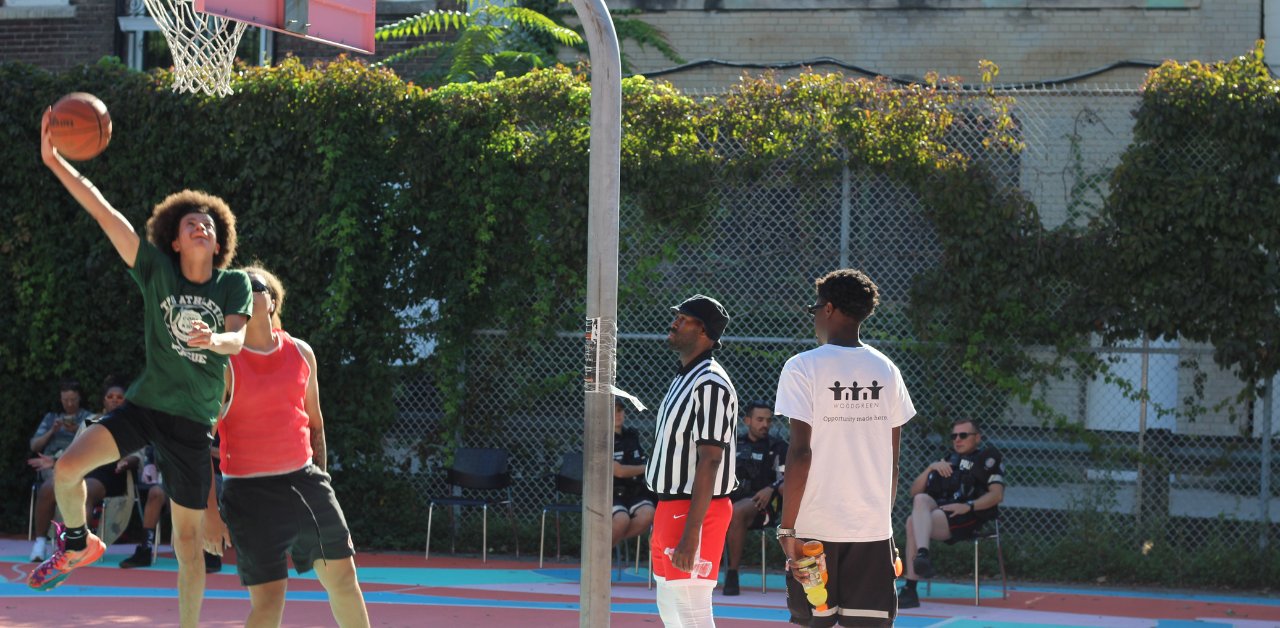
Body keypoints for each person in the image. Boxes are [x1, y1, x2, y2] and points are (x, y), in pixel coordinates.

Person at [32, 110, 251, 628]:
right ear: (173, 241)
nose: (201, 226)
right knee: (66, 470)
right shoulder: (154, 271)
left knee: (190, 542)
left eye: (209, 225)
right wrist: (56, 161)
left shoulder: (232, 284)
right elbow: (106, 213)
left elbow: (239, 338)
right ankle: (78, 543)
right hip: (145, 407)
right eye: (189, 223)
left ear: (218, 244)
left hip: (190, 426)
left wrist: (213, 337)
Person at [202, 266, 370, 628]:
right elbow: (199, 443)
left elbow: (315, 424)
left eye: (253, 286)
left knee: (344, 581)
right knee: (269, 602)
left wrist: (324, 491)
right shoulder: (224, 364)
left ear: (273, 300)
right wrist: (210, 514)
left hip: (306, 482)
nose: (244, 292)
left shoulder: (302, 353)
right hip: (248, 492)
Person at [774, 269, 914, 628]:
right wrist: (886, 529)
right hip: (870, 530)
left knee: (812, 624)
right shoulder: (887, 370)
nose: (814, 316)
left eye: (815, 307)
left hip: (814, 531)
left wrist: (788, 530)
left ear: (830, 309)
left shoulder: (802, 367)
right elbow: (892, 462)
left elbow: (800, 453)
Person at [645, 294, 738, 628]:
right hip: (672, 506)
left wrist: (691, 533)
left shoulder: (710, 382)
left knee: (693, 610)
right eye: (677, 317)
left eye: (683, 319)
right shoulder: (685, 376)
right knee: (670, 606)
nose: (674, 323)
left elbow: (711, 461)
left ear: (704, 331)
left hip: (694, 510)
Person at [898, 418, 1005, 609]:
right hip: (941, 512)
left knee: (911, 522)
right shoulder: (948, 460)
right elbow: (914, 493)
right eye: (954, 436)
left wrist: (969, 506)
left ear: (977, 437)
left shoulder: (987, 462)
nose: (957, 439)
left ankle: (910, 589)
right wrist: (930, 468)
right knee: (920, 500)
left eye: (963, 435)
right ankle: (923, 555)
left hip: (967, 515)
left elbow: (997, 495)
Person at [27, 380, 124, 562]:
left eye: (119, 397)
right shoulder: (92, 419)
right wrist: (57, 461)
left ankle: (77, 547)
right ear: (103, 401)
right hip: (84, 468)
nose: (114, 400)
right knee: (48, 488)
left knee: (83, 490)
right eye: (110, 396)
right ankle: (40, 544)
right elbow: (78, 444)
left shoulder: (130, 422)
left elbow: (128, 453)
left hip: (109, 473)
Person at [722, 400, 787, 596]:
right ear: (747, 420)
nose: (765, 425)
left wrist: (771, 488)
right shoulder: (734, 444)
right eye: (760, 420)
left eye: (768, 420)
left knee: (738, 511)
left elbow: (787, 476)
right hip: (731, 500)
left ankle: (731, 573)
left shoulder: (778, 447)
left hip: (764, 506)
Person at [613, 399, 656, 549]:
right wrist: (649, 467)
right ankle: (595, 558)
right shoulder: (601, 439)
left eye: (620, 410)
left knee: (648, 513)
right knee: (621, 519)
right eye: (613, 410)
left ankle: (607, 544)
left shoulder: (632, 435)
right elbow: (618, 471)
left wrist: (646, 467)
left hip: (633, 491)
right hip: (609, 493)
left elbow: (640, 463)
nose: (617, 414)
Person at [118, 445, 168, 569]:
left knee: (209, 492)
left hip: (195, 484)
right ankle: (145, 549)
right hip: (171, 485)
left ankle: (212, 553)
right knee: (155, 493)